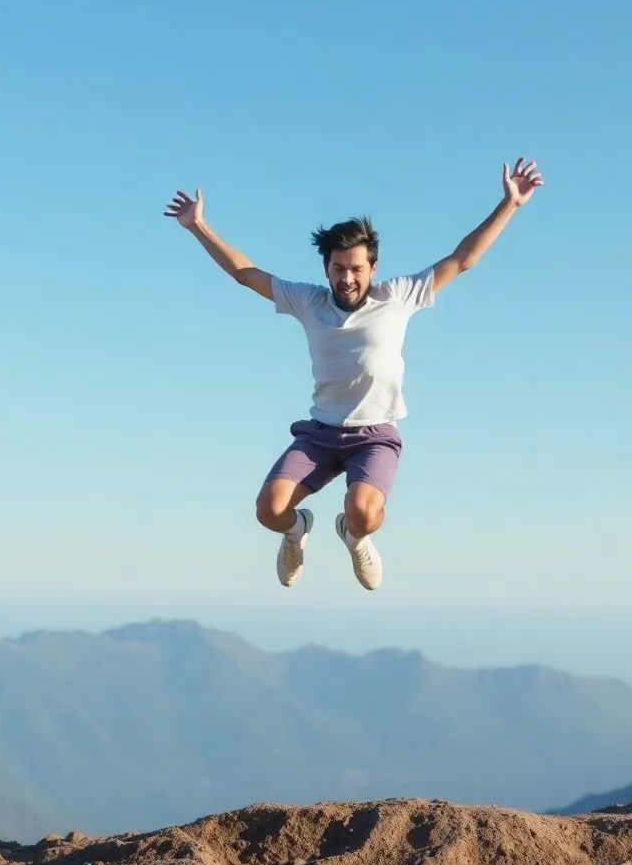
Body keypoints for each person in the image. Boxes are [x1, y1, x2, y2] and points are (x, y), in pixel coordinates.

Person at [164, 157, 544, 590]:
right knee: (269, 510)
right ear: (326, 268)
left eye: (356, 268)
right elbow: (243, 273)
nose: (347, 278)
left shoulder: (398, 296)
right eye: (338, 268)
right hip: (320, 433)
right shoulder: (308, 301)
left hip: (374, 435)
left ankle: (353, 535)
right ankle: (297, 530)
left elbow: (461, 260)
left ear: (372, 268)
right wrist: (198, 227)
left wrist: (509, 205)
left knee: (364, 513)